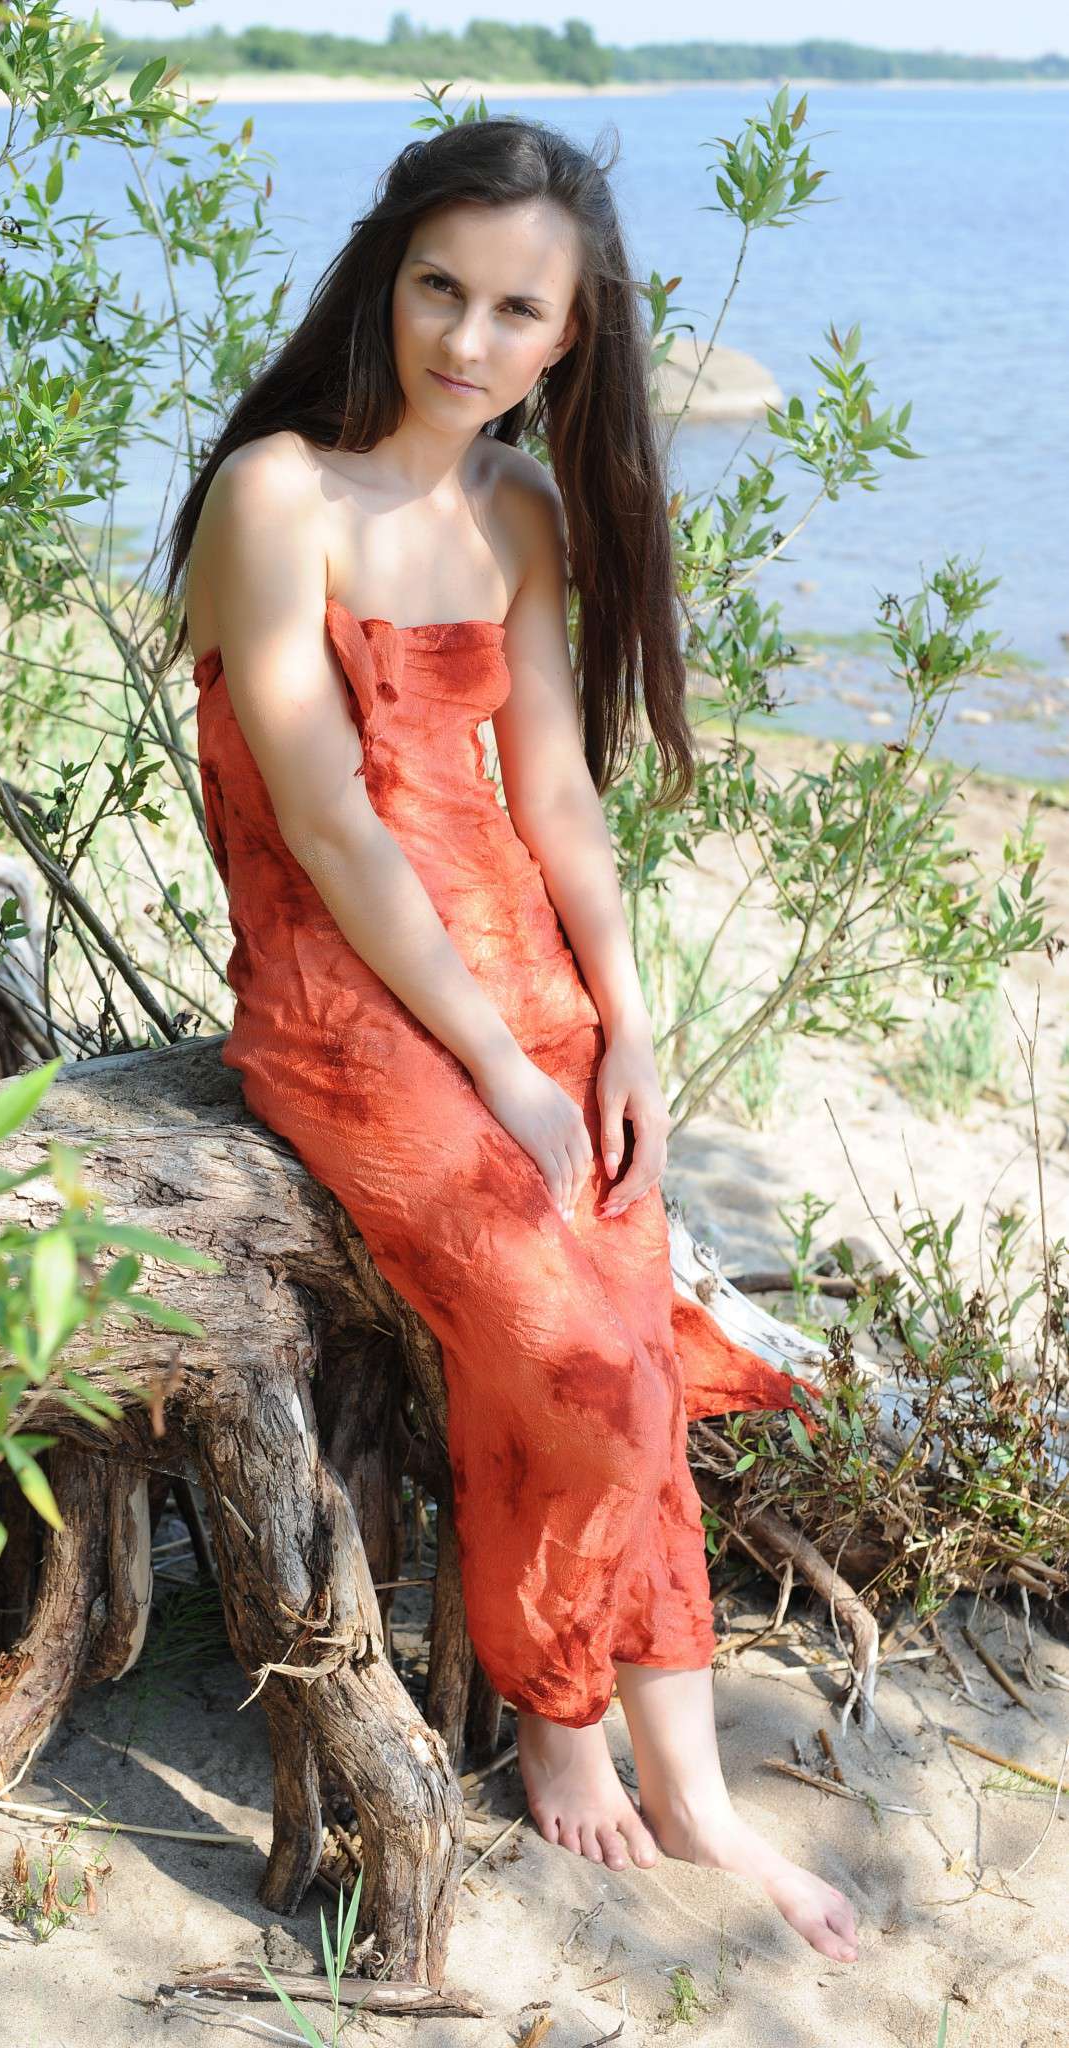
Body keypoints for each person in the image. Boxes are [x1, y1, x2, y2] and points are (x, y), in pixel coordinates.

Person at [161, 113, 859, 1967]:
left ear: (574, 333)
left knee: (632, 1350)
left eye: (517, 311)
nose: (468, 340)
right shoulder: (277, 497)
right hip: (349, 1004)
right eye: (439, 289)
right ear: (384, 279)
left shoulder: (523, 509)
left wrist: (622, 1029)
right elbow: (330, 826)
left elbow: (551, 792)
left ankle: (690, 1789)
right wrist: (501, 1064)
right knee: (580, 1360)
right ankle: (562, 1719)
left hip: (526, 981)